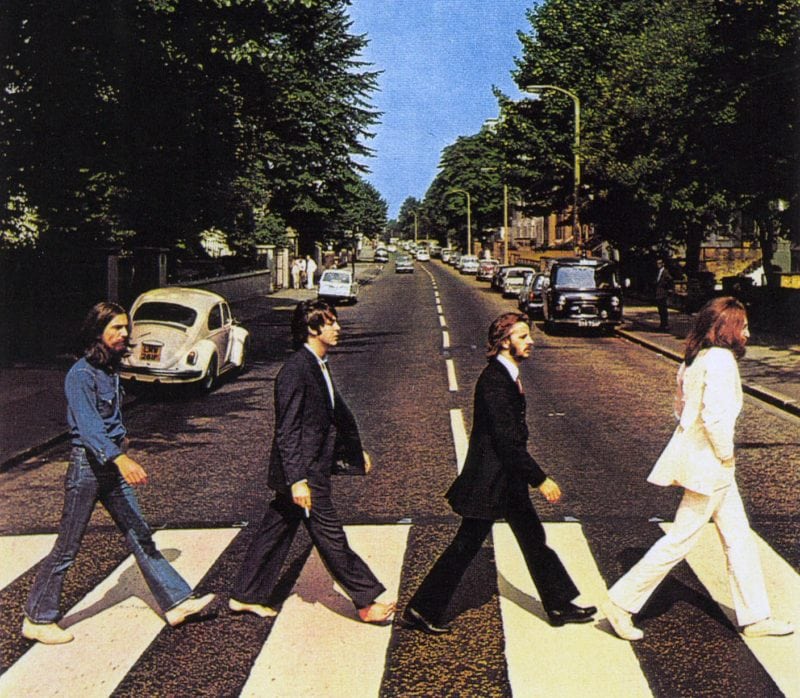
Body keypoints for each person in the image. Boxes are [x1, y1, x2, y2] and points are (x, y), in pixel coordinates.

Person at [22, 302, 215, 645]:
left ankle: (176, 602)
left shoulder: (109, 369)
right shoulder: (80, 374)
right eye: (116, 328)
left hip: (109, 466)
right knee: (68, 546)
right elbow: (89, 426)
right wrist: (121, 459)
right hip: (89, 467)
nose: (125, 334)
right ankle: (37, 618)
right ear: (97, 332)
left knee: (140, 534)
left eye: (126, 327)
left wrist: (121, 445)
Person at [602, 297, 793, 641]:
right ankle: (621, 602)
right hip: (713, 466)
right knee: (679, 540)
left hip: (705, 462)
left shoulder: (695, 359)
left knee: (739, 539)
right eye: (743, 326)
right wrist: (725, 455)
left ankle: (755, 617)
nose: (748, 333)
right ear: (725, 329)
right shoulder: (721, 361)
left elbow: (681, 409)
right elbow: (715, 418)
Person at [401, 312, 596, 634]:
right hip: (491, 481)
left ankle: (559, 604)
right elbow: (507, 443)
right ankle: (422, 609)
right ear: (505, 342)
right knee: (466, 545)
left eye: (528, 335)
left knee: (534, 540)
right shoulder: (494, 381)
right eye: (522, 336)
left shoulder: (506, 375)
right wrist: (541, 479)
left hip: (507, 481)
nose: (530, 341)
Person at [229, 300, 395, 623]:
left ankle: (244, 595)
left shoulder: (318, 363)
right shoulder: (295, 370)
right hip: (305, 471)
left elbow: (335, 414)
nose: (337, 328)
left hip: (311, 466)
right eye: (330, 322)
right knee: (331, 537)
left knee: (275, 530)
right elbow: (287, 430)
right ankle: (365, 600)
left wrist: (354, 451)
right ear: (312, 328)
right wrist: (297, 480)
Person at [655, 258, 673, 330]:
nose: (658, 265)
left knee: (663, 310)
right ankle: (662, 325)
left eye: (659, 263)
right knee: (660, 310)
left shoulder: (665, 272)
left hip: (663, 294)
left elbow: (670, 280)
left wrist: (669, 289)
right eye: (657, 264)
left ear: (662, 264)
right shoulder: (658, 272)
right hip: (658, 294)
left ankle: (665, 325)